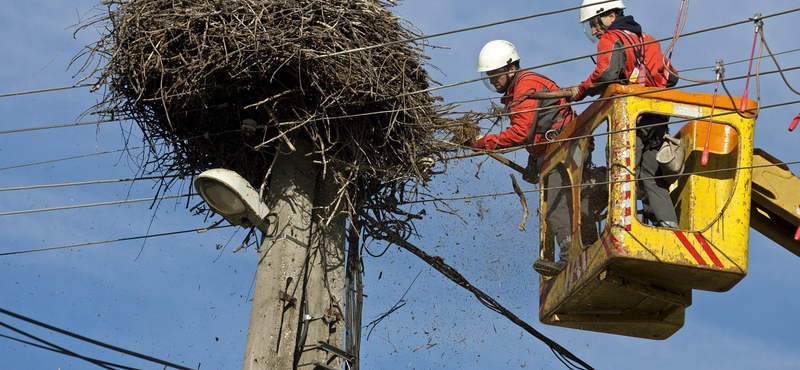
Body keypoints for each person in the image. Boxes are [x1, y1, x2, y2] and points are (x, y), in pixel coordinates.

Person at [471, 40, 580, 277]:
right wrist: (532, 164)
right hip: (557, 148)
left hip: (568, 146)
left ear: (511, 68)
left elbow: (521, 133)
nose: (491, 80)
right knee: (564, 201)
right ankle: (580, 247)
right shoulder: (518, 91)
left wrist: (480, 143)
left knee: (557, 202)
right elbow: (536, 135)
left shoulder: (526, 85)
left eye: (495, 74)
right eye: (488, 75)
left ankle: (571, 258)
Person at [568, 0, 680, 230]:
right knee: (650, 175)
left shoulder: (612, 38)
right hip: (657, 120)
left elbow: (607, 73)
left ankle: (620, 227)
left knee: (621, 168)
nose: (594, 31)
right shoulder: (648, 39)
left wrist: (582, 90)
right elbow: (672, 76)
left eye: (594, 23)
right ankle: (668, 226)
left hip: (632, 118)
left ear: (608, 15)